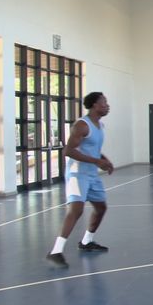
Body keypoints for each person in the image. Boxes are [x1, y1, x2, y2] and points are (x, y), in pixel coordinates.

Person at [46, 92, 115, 268]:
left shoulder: (99, 125)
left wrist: (104, 160)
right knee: (76, 210)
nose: (107, 105)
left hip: (92, 174)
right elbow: (68, 151)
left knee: (101, 208)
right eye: (104, 102)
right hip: (78, 174)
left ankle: (86, 241)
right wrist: (97, 161)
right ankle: (55, 252)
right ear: (94, 105)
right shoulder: (82, 126)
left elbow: (93, 149)